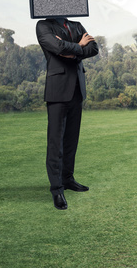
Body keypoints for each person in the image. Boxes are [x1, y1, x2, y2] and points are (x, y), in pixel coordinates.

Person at [36, 17, 99, 210]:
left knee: (71, 140)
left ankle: (68, 179)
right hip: (57, 90)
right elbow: (56, 47)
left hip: (77, 90)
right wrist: (79, 46)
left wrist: (70, 50)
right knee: (56, 143)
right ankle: (57, 189)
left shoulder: (76, 25)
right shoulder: (43, 26)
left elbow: (94, 49)